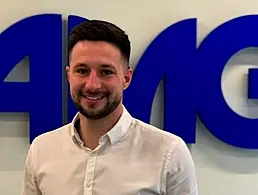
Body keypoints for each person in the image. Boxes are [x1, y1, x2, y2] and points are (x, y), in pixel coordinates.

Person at [21, 19, 198, 195]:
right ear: (69, 75)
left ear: (126, 78)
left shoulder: (169, 153)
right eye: (82, 71)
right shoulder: (41, 149)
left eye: (106, 72)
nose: (92, 85)